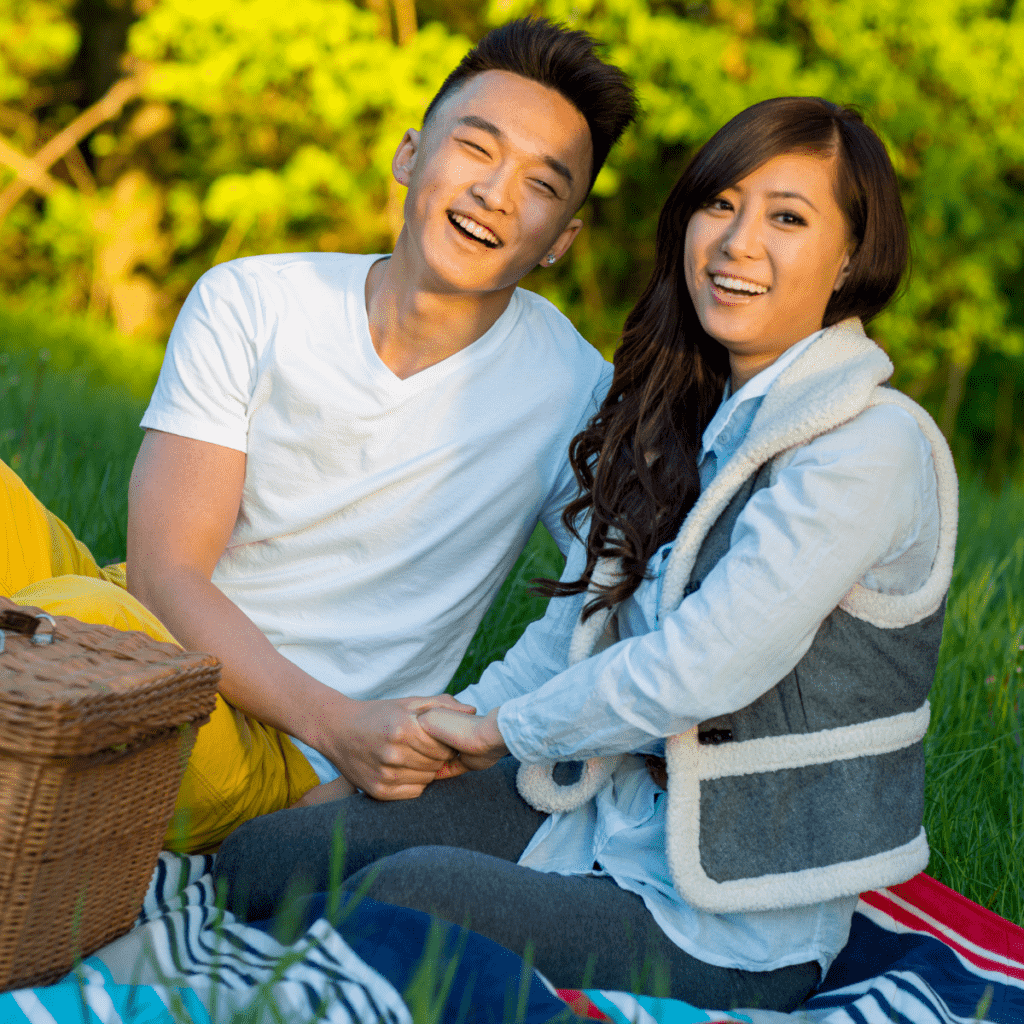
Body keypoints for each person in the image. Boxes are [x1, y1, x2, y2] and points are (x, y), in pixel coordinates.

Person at [213, 96, 959, 1009]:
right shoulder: (678, 415)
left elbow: (707, 665)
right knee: (263, 863)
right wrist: (452, 733)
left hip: (719, 914)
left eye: (789, 218)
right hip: (583, 809)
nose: (736, 244)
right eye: (720, 204)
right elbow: (577, 631)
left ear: (850, 257)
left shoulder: (867, 446)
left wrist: (505, 734)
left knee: (392, 902)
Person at [0, 18, 638, 851]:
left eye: (543, 185)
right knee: (73, 606)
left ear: (560, 240)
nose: (496, 193)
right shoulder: (254, 299)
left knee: (69, 624)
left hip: (275, 749)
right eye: (477, 148)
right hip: (141, 624)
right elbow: (164, 575)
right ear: (411, 157)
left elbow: (618, 601)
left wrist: (376, 741)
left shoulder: (575, 390)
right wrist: (341, 725)